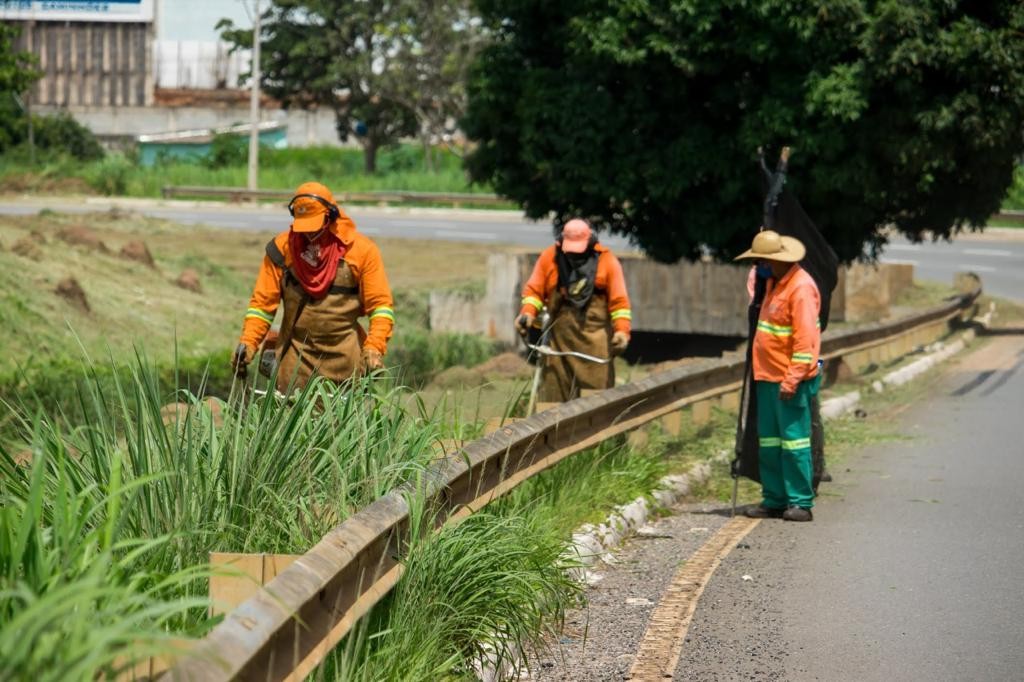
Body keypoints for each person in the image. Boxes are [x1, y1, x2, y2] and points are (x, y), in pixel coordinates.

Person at [231, 181, 395, 393]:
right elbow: (262, 307)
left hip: (346, 362)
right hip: (294, 361)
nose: (308, 234)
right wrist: (249, 342)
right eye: (304, 226)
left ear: (331, 216)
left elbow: (381, 307)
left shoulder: (361, 252)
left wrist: (374, 347)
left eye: (314, 226)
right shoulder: (281, 251)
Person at [735, 230, 821, 522]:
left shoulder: (800, 288)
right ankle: (774, 499)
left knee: (795, 443)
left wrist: (792, 379)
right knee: (770, 443)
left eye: (762, 261)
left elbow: (806, 342)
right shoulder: (772, 284)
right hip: (767, 377)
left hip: (789, 380)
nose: (759, 265)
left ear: (778, 260)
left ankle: (800, 502)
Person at [515, 218, 632, 402]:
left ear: (590, 242)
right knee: (552, 404)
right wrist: (528, 313)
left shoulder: (607, 262)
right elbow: (534, 292)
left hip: (595, 347)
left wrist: (622, 332)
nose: (574, 256)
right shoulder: (550, 258)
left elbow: (620, 304)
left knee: (597, 403)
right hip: (558, 347)